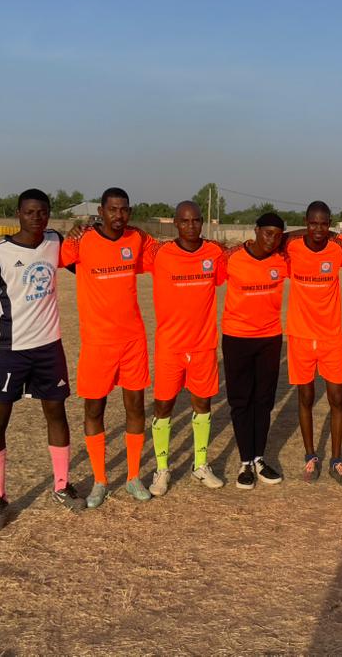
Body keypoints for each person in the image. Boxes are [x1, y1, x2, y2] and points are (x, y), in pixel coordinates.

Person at [0, 189, 84, 531]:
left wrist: (85, 232)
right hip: (10, 351)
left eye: (43, 212)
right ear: (19, 214)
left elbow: (86, 267)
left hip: (49, 348)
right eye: (31, 212)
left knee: (56, 412)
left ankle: (62, 487)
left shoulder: (55, 242)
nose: (37, 217)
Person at [59, 187, 154, 508]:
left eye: (124, 209)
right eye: (112, 209)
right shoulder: (82, 240)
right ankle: (100, 480)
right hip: (98, 343)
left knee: (136, 408)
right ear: (100, 210)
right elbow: (53, 255)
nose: (118, 215)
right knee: (94, 410)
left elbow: (169, 253)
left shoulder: (137, 240)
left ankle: (132, 477)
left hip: (133, 340)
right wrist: (70, 231)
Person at [143, 201, 226, 495]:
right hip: (170, 347)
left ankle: (200, 465)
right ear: (175, 224)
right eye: (185, 221)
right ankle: (162, 469)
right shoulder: (159, 254)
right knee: (164, 406)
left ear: (201, 222)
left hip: (203, 346)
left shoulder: (214, 253)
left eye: (196, 221)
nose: (191, 226)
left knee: (202, 404)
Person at [284, 201, 342, 484]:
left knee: (337, 397)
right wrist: (300, 232)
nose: (318, 229)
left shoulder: (338, 249)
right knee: (306, 397)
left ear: (330, 224)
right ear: (305, 222)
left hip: (330, 337)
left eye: (324, 224)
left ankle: (337, 459)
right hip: (300, 336)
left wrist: (338, 234)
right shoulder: (293, 247)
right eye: (313, 223)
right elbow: (281, 237)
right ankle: (310, 455)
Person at [219, 212, 288, 489]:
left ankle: (259, 458)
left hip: (270, 339)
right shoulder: (231, 258)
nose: (271, 239)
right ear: (256, 231)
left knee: (264, 401)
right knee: (240, 401)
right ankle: (245, 461)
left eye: (277, 235)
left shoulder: (283, 260)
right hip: (236, 337)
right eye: (267, 233)